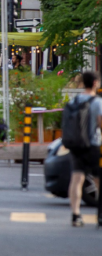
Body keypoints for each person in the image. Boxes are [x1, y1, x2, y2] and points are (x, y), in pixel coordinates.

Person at [66, 71, 102, 227]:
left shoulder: (75, 101)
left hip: (76, 145)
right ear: (94, 83)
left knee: (77, 179)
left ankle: (75, 215)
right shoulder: (97, 102)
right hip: (93, 145)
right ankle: (100, 215)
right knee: (98, 180)